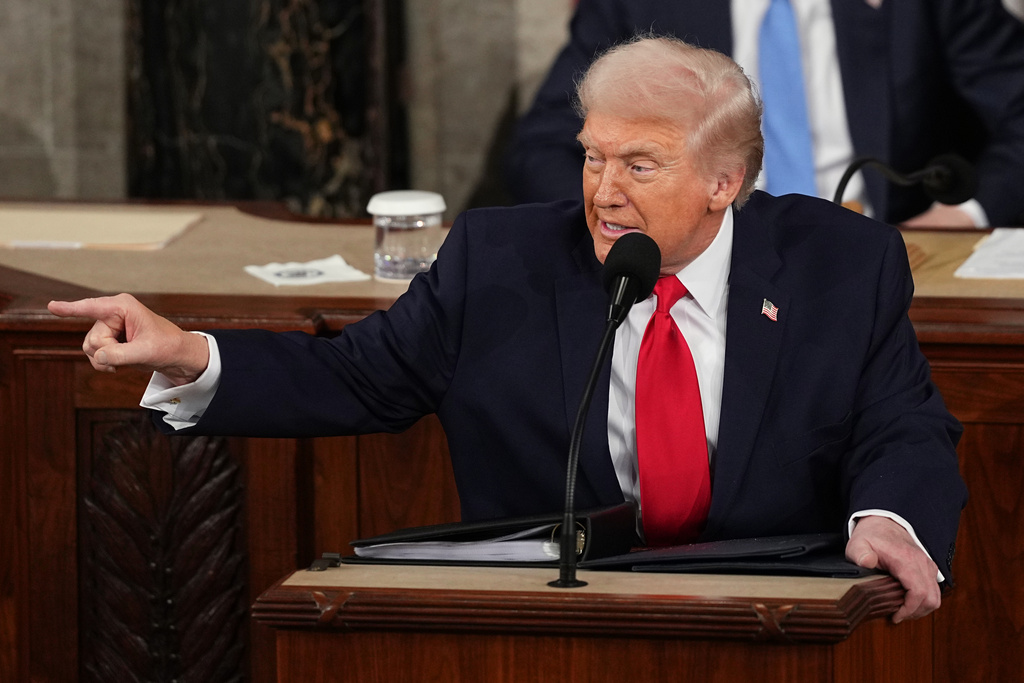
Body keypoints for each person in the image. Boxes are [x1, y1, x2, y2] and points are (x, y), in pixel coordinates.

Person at [49, 37, 965, 623]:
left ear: (726, 181)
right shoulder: (503, 260)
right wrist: (190, 357)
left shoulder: (841, 265)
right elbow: (360, 378)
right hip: (550, 623)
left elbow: (902, 421)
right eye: (594, 157)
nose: (606, 191)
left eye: (640, 164)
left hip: (769, 616)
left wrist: (890, 517)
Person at [505, 0, 1024, 228]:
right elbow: (548, 143)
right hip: (695, 247)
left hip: (883, 246)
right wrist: (623, 223)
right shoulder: (639, 3)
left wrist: (964, 215)